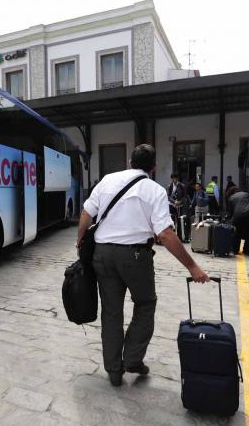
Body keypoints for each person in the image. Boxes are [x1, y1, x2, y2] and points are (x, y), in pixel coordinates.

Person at [77, 145, 211, 387]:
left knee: (111, 312)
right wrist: (192, 266)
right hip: (135, 257)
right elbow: (166, 235)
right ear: (153, 167)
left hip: (102, 254)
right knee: (146, 304)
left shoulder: (108, 180)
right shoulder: (155, 190)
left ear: (129, 161)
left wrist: (80, 240)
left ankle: (114, 371)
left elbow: (86, 214)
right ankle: (133, 359)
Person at [226, 186, 249, 255]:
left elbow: (230, 213)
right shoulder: (246, 194)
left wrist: (227, 218)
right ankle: (246, 251)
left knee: (237, 232)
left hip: (239, 215)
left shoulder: (231, 198)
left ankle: (236, 250)